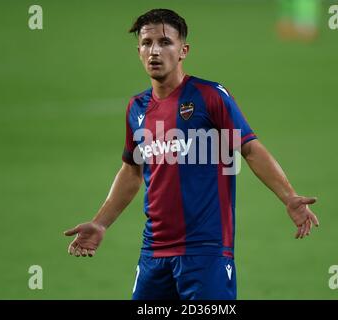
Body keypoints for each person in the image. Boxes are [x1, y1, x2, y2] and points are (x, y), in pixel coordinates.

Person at [64, 8, 319, 300]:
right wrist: (100, 222)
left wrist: (289, 196)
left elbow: (249, 147)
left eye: (164, 42)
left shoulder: (209, 97)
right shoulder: (137, 108)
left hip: (206, 251)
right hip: (154, 252)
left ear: (183, 50)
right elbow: (132, 171)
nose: (154, 51)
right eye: (147, 43)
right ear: (138, 51)